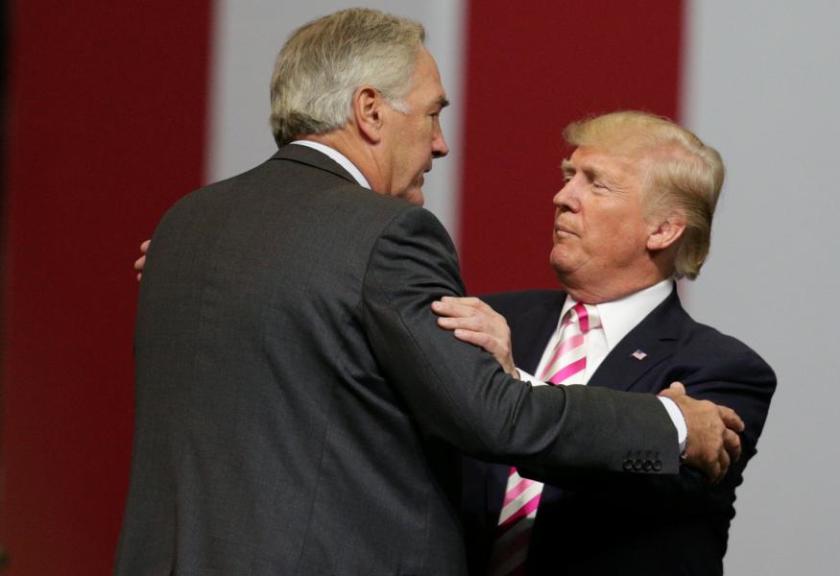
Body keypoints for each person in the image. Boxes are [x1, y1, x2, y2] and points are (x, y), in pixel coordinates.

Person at [117, 10, 744, 576]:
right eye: (433, 113)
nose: (440, 142)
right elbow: (490, 415)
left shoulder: (189, 224)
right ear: (370, 112)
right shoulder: (388, 235)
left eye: (596, 183)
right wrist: (671, 422)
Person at [434, 112, 776, 575]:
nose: (562, 197)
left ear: (662, 230)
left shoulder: (723, 372)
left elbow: (638, 484)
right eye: (568, 175)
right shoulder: (493, 320)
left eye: (596, 184)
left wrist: (508, 384)